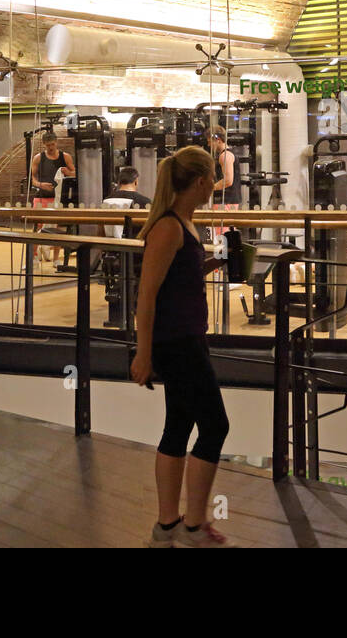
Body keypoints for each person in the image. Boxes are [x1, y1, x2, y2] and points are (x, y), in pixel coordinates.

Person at [131, 147, 233, 548]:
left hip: (187, 338)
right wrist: (143, 354)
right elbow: (147, 295)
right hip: (178, 344)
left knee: (178, 427)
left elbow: (176, 278)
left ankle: (167, 525)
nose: (214, 188)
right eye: (213, 181)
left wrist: (213, 265)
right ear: (202, 182)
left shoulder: (185, 225)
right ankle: (192, 527)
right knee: (215, 426)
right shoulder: (169, 227)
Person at [29, 132, 75, 269]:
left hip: (58, 198)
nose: (51, 147)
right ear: (44, 144)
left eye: (53, 144)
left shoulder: (65, 157)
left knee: (58, 228)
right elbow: (32, 178)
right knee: (37, 227)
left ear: (57, 142)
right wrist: (40, 184)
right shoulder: (38, 158)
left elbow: (75, 172)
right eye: (48, 145)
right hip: (41, 196)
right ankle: (35, 257)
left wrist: (68, 172)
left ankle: (56, 259)